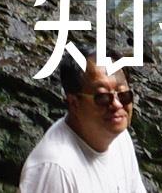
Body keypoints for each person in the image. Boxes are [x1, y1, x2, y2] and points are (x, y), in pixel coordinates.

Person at [21, 55, 144, 193]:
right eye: (103, 97)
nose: (117, 104)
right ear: (74, 103)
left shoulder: (119, 136)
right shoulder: (56, 169)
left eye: (123, 95)